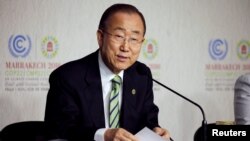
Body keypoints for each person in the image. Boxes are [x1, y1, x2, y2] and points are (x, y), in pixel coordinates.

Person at [44, 3, 171, 141]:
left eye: (134, 39)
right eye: (119, 36)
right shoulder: (67, 78)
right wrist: (102, 135)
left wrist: (155, 131)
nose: (125, 47)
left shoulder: (141, 75)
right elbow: (61, 131)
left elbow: (148, 121)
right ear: (100, 37)